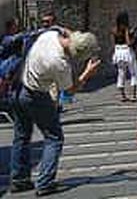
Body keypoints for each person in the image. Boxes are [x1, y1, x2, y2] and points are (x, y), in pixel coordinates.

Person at [10, 29, 100, 195]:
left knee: (21, 135)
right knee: (54, 137)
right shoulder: (60, 63)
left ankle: (19, 179)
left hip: (18, 88)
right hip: (36, 95)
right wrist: (87, 73)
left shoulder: (49, 36)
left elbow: (63, 30)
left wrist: (76, 37)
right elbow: (70, 91)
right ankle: (45, 182)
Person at [111, 12, 137, 102]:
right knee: (133, 73)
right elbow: (128, 42)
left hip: (118, 51)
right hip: (127, 51)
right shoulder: (126, 29)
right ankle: (133, 95)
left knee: (121, 73)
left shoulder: (114, 29)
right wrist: (133, 37)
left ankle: (123, 96)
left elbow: (113, 42)